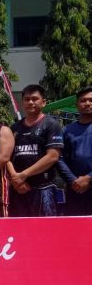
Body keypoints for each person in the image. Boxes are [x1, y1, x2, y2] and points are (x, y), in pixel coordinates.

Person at [7, 84, 63, 217]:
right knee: (18, 232)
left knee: (45, 232)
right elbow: (6, 157)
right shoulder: (14, 127)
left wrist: (23, 175)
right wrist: (15, 178)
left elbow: (53, 156)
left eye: (34, 99)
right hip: (18, 189)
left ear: (43, 102)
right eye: (27, 99)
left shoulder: (51, 124)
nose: (30, 102)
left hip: (44, 188)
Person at [57, 87, 92, 216]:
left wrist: (89, 178)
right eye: (83, 100)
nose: (87, 103)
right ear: (77, 105)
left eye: (91, 100)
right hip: (75, 189)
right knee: (75, 230)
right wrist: (72, 180)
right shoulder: (66, 130)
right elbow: (58, 157)